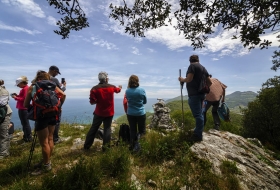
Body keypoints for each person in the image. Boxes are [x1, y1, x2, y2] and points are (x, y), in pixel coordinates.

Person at [24, 71, 66, 175]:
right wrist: (59, 107)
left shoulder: (33, 87)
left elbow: (25, 104)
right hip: (53, 114)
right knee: (50, 138)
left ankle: (46, 166)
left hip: (41, 116)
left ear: (37, 77)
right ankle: (46, 160)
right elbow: (63, 95)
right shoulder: (53, 86)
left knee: (44, 143)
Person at [84, 71, 122, 151]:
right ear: (106, 79)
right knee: (107, 129)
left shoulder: (94, 89)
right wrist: (120, 87)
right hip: (109, 113)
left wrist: (98, 101)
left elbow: (92, 102)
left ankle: (87, 146)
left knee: (94, 128)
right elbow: (118, 90)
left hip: (99, 113)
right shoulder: (111, 87)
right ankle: (106, 148)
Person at [178, 55, 212, 142]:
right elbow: (210, 82)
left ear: (190, 61)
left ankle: (198, 135)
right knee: (200, 113)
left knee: (198, 115)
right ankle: (198, 130)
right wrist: (202, 87)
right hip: (201, 94)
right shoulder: (203, 68)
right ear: (198, 60)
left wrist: (182, 79)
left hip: (194, 94)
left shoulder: (192, 66)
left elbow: (189, 79)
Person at [123, 75, 147, 152]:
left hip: (131, 113)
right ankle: (142, 147)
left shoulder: (127, 91)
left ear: (129, 81)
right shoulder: (142, 90)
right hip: (140, 113)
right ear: (137, 81)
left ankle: (132, 147)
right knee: (142, 131)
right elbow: (145, 101)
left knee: (132, 130)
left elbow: (126, 102)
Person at [48, 65, 66, 144]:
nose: (57, 74)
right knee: (56, 121)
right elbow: (60, 92)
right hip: (53, 103)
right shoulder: (53, 79)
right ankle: (55, 139)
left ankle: (46, 137)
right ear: (54, 71)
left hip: (43, 104)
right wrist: (64, 86)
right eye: (57, 72)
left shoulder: (42, 78)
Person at [12, 76, 32, 142]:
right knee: (24, 123)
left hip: (23, 108)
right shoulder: (26, 88)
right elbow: (23, 97)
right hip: (23, 108)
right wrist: (17, 96)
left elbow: (24, 99)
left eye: (18, 84)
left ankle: (28, 138)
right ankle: (26, 137)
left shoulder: (25, 89)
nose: (18, 86)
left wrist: (15, 97)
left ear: (22, 83)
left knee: (25, 123)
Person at [0, 79, 13, 159]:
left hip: (3, 114)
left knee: (3, 133)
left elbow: (2, 104)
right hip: (3, 113)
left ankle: (3, 153)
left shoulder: (3, 91)